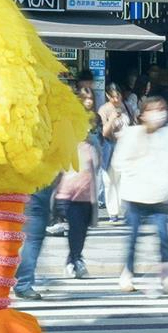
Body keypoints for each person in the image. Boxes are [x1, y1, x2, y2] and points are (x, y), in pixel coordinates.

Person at [112, 96, 168, 295]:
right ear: (143, 114)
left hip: (161, 196)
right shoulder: (131, 134)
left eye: (162, 109)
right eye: (154, 109)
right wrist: (139, 173)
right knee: (132, 238)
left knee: (165, 238)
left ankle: (166, 274)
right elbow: (119, 162)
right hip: (135, 196)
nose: (159, 114)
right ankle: (128, 272)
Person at [53, 91, 99, 280]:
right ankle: (75, 260)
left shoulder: (92, 145)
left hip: (85, 196)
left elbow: (96, 171)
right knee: (75, 229)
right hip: (66, 196)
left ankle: (74, 259)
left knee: (80, 232)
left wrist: (95, 201)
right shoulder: (65, 142)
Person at [97, 83, 134, 222]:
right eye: (113, 97)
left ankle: (126, 210)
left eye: (118, 96)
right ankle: (113, 212)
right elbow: (104, 133)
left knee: (126, 180)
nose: (116, 99)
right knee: (110, 181)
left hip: (127, 149)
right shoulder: (104, 110)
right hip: (111, 148)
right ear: (107, 96)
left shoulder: (127, 107)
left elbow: (133, 125)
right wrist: (112, 118)